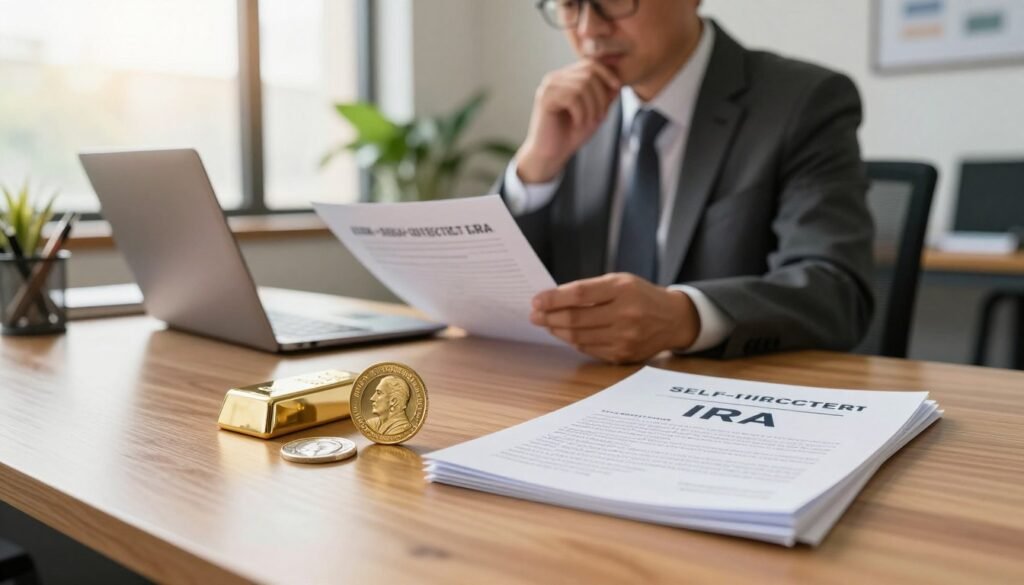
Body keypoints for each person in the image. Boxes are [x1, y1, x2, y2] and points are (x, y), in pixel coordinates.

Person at [501, 0, 874, 363]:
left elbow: (835, 290)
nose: (588, 29)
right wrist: (537, 167)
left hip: (728, 398)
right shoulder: (570, 113)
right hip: (582, 392)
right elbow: (497, 293)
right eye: (569, 5)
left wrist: (685, 317)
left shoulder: (804, 101)